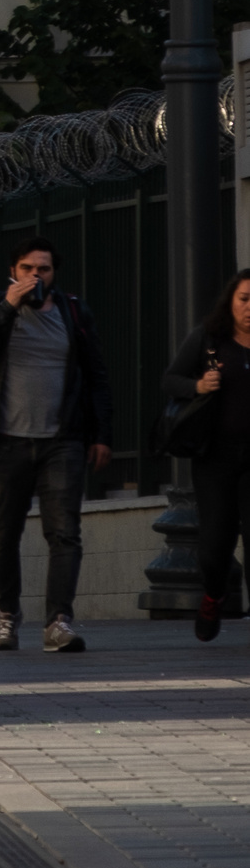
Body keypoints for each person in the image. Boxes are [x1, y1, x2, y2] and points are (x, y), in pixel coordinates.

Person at [0, 240, 113, 653]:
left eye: (43, 269)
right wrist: (6, 306)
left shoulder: (72, 312)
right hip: (7, 441)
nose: (34, 276)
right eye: (26, 268)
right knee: (3, 533)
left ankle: (58, 621)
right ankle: (6, 616)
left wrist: (101, 434)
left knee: (64, 533)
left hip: (62, 440)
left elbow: (96, 374)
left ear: (54, 273)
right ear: (13, 271)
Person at [162, 267, 250, 642]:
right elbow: (169, 380)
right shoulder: (209, 340)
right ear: (231, 300)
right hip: (216, 459)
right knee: (215, 546)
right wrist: (198, 384)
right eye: (244, 299)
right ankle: (214, 595)